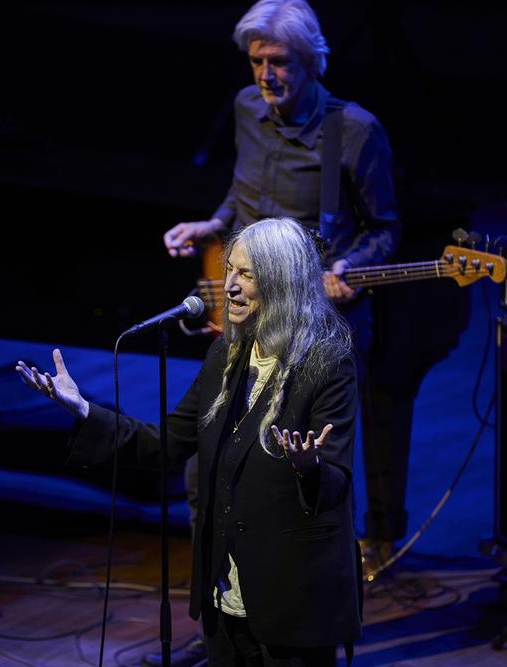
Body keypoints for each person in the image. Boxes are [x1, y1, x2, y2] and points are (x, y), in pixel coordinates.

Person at [17, 218, 362, 667]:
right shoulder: (225, 354)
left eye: (248, 275)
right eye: (231, 270)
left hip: (290, 597)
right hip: (222, 595)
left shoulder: (328, 364)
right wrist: (83, 409)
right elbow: (164, 444)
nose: (230, 287)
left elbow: (336, 483)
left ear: (282, 284)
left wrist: (308, 466)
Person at [162, 0, 403, 610]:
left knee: (297, 481)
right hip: (246, 321)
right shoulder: (248, 109)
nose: (266, 75)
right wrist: (210, 224)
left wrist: (352, 268)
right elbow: (242, 194)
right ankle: (222, 612)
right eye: (256, 61)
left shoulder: (354, 130)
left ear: (311, 61)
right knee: (206, 471)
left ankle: (305, 622)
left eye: (278, 62)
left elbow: (385, 228)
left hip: (318, 329)